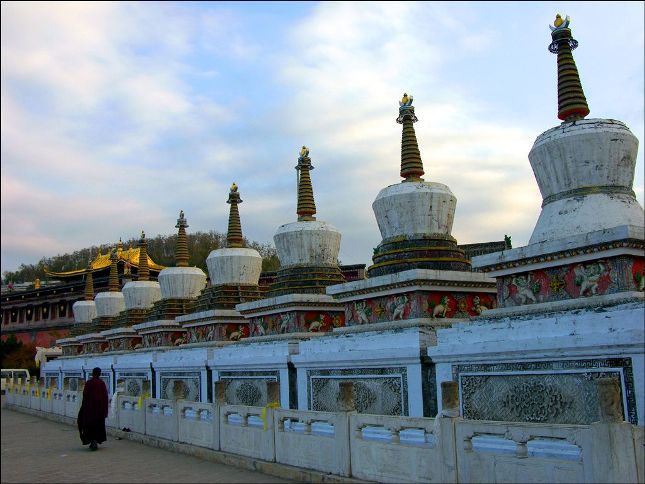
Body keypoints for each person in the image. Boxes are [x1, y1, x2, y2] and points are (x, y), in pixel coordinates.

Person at [77, 367, 109, 451]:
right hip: (99, 410)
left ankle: (92, 440)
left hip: (89, 410)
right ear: (99, 374)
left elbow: (85, 394)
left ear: (92, 373)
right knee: (98, 426)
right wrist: (105, 410)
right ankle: (96, 440)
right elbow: (105, 396)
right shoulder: (101, 383)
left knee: (89, 426)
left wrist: (83, 407)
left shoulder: (89, 383)